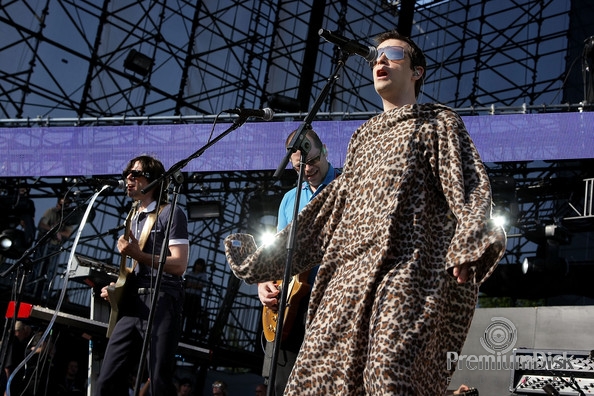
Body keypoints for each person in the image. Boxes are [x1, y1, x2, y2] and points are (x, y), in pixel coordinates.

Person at [225, 29, 506, 395]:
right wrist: (263, 262)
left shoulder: (438, 123)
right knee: (318, 378)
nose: (381, 61)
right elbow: (325, 212)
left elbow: (468, 185)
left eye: (393, 53)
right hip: (348, 277)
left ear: (417, 71)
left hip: (407, 273)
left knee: (390, 376)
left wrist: (469, 247)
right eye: (376, 56)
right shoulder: (362, 138)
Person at [94, 155, 189, 396]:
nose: (129, 178)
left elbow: (179, 265)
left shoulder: (171, 213)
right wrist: (118, 286)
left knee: (158, 378)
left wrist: (140, 255)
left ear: (154, 181)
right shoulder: (132, 216)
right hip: (133, 303)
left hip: (161, 298)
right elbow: (134, 266)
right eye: (127, 174)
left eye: (135, 174)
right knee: (106, 379)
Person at [257, 128, 339, 395]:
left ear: (324, 150)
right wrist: (265, 281)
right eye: (299, 166)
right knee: (281, 385)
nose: (307, 169)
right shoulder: (289, 199)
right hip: (291, 303)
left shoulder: (347, 187)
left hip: (332, 303)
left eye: (313, 160)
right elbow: (276, 254)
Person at [33, 194, 74, 300]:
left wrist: (58, 233)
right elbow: (42, 224)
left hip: (55, 247)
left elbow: (68, 233)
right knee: (37, 267)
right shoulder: (51, 211)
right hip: (44, 245)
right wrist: (54, 231)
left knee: (50, 271)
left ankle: (44, 293)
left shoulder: (68, 216)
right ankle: (32, 289)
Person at [183, 258, 208, 339]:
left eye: (201, 265)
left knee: (192, 317)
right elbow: (186, 283)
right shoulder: (189, 273)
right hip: (187, 296)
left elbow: (202, 285)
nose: (199, 266)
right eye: (198, 264)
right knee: (182, 314)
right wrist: (195, 284)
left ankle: (187, 334)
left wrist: (191, 284)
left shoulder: (203, 275)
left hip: (195, 297)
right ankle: (179, 331)